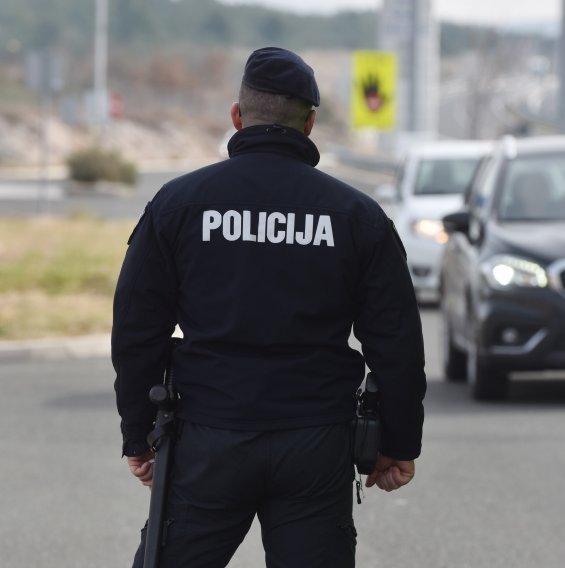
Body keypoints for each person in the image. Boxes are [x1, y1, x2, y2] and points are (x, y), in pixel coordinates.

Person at [112, 46, 427, 567]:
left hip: (208, 439)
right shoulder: (356, 216)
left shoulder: (179, 205)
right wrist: (398, 441)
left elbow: (136, 330)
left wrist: (137, 433)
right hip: (315, 442)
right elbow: (396, 342)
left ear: (237, 116)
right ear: (310, 124)